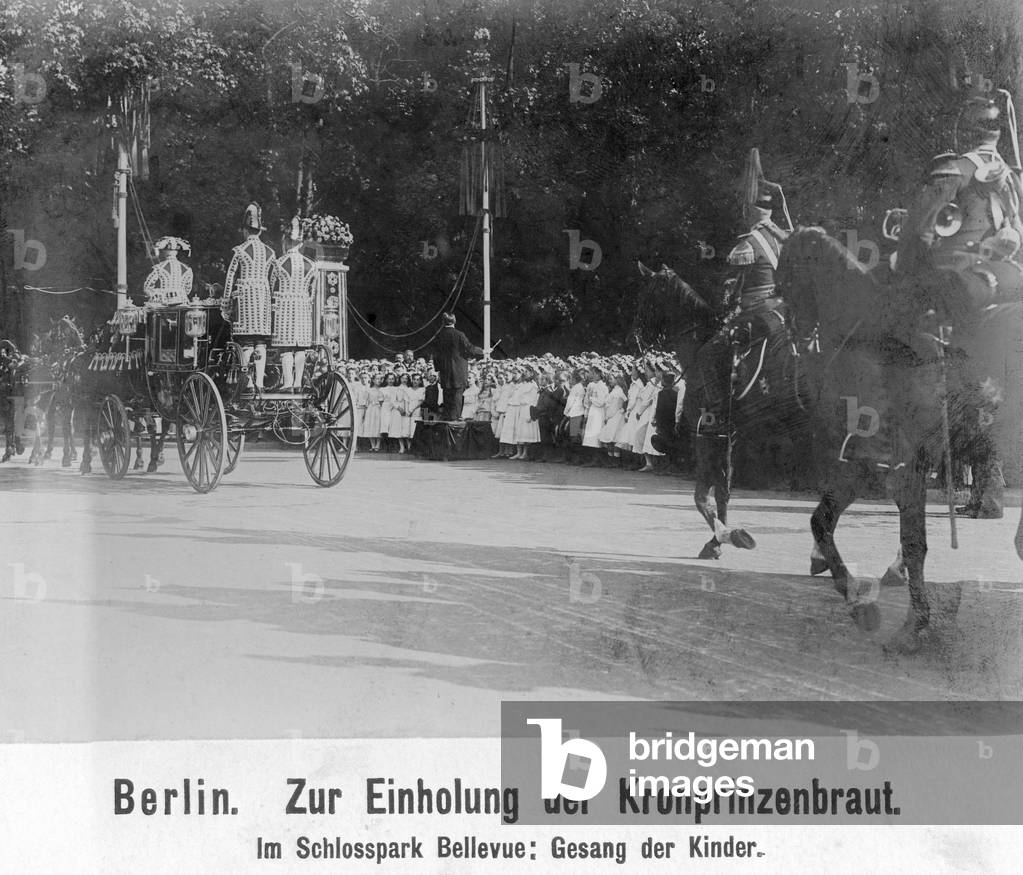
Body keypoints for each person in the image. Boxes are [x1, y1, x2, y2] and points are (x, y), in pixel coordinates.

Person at [223, 203, 275, 392]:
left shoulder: (239, 250)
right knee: (260, 342)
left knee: (245, 341)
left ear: (245, 230)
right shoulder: (271, 252)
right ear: (260, 231)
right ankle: (259, 382)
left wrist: (226, 304)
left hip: (245, 300)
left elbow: (229, 279)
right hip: (263, 299)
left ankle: (248, 384)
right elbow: (273, 280)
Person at [271, 218, 315, 392]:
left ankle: (288, 383)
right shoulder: (312, 265)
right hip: (303, 308)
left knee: (287, 347)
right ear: (301, 243)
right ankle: (297, 383)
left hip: (284, 309)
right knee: (300, 347)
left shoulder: (278, 263)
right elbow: (312, 293)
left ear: (286, 241)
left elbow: (271, 288)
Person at [430, 312, 484, 420]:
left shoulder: (438, 336)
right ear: (454, 321)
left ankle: (448, 419)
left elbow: (435, 355)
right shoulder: (459, 335)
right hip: (459, 372)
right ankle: (455, 420)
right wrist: (483, 351)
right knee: (458, 396)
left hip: (445, 372)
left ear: (443, 322)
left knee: (447, 396)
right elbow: (469, 349)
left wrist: (439, 369)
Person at [144, 237, 193, 305]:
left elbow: (147, 288)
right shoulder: (187, 269)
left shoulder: (158, 267)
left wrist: (158, 293)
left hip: (164, 304)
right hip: (182, 303)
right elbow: (187, 290)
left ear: (164, 252)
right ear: (177, 252)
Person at [598, 371, 628, 462]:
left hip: (615, 416)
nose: (609, 381)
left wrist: (607, 417)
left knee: (614, 437)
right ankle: (611, 459)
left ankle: (615, 460)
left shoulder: (618, 392)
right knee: (611, 438)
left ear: (617, 380)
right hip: (613, 416)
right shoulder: (615, 390)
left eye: (611, 379)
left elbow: (615, 407)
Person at [511, 367, 540, 460]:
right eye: (525, 371)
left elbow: (534, 400)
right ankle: (519, 452)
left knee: (526, 432)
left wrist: (531, 415)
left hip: (528, 409)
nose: (525, 373)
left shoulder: (534, 385)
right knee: (519, 431)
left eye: (527, 372)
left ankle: (525, 453)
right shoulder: (523, 385)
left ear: (532, 373)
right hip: (521, 408)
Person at [364, 373, 384, 452]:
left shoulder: (382, 390)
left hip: (379, 409)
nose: (379, 381)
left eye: (380, 379)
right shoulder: (369, 390)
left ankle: (378, 445)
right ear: (373, 380)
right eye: (377, 379)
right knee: (370, 425)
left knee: (378, 425)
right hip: (371, 409)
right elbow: (366, 401)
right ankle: (372, 445)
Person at [379, 371, 398, 452]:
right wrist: (386, 406)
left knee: (393, 425)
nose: (391, 380)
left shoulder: (397, 389)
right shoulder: (382, 389)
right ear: (386, 380)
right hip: (385, 407)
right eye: (389, 379)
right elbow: (380, 401)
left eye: (392, 379)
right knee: (385, 425)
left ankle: (393, 446)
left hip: (394, 408)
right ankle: (386, 446)